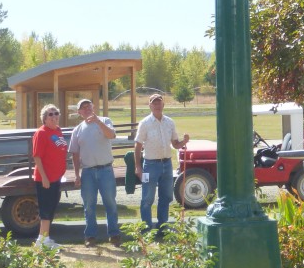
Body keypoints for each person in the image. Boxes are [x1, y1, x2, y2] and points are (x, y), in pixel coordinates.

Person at [69, 99, 121, 246]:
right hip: (88, 172)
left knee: (110, 203)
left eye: (88, 106)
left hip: (106, 170)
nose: (86, 109)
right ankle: (90, 236)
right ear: (79, 112)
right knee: (89, 206)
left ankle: (114, 234)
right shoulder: (78, 130)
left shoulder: (105, 120)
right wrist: (77, 175)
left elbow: (111, 135)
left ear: (93, 107)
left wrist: (98, 121)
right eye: (83, 108)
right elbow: (75, 154)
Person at [133, 94, 189, 232]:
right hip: (150, 165)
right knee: (147, 197)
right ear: (150, 106)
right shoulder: (145, 123)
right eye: (154, 103)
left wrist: (183, 142)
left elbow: (175, 144)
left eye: (159, 103)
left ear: (163, 105)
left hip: (166, 164)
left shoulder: (169, 122)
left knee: (167, 196)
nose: (157, 106)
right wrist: (138, 167)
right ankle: (146, 228)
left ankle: (162, 227)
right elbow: (138, 146)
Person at [32, 103, 69, 248]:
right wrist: (44, 178)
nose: (54, 117)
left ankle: (44, 239)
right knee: (46, 209)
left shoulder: (58, 131)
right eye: (50, 114)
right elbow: (37, 157)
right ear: (45, 118)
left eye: (56, 113)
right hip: (45, 179)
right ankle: (41, 241)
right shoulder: (41, 133)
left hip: (56, 177)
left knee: (52, 207)